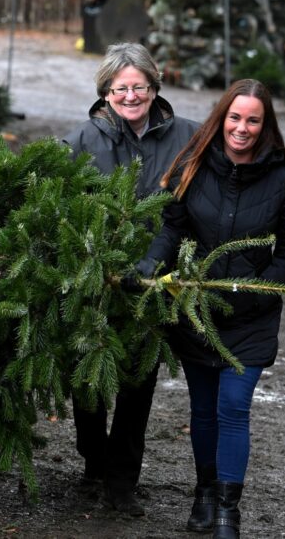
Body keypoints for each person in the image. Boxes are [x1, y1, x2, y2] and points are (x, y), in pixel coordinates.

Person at [142, 79, 285, 537]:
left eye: (253, 120)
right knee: (203, 409)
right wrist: (149, 267)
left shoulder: (280, 179)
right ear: (222, 118)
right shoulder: (193, 166)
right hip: (197, 311)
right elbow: (171, 229)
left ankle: (227, 511)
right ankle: (203, 492)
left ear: (264, 124)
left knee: (233, 406)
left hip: (252, 317)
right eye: (235, 117)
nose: (242, 127)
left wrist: (258, 290)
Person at [61, 43, 199, 516]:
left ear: (155, 87)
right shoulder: (82, 140)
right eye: (121, 88)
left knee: (138, 386)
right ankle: (93, 459)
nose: (131, 95)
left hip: (154, 286)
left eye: (139, 86)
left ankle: (122, 483)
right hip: (95, 283)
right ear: (105, 93)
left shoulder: (189, 137)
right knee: (89, 383)